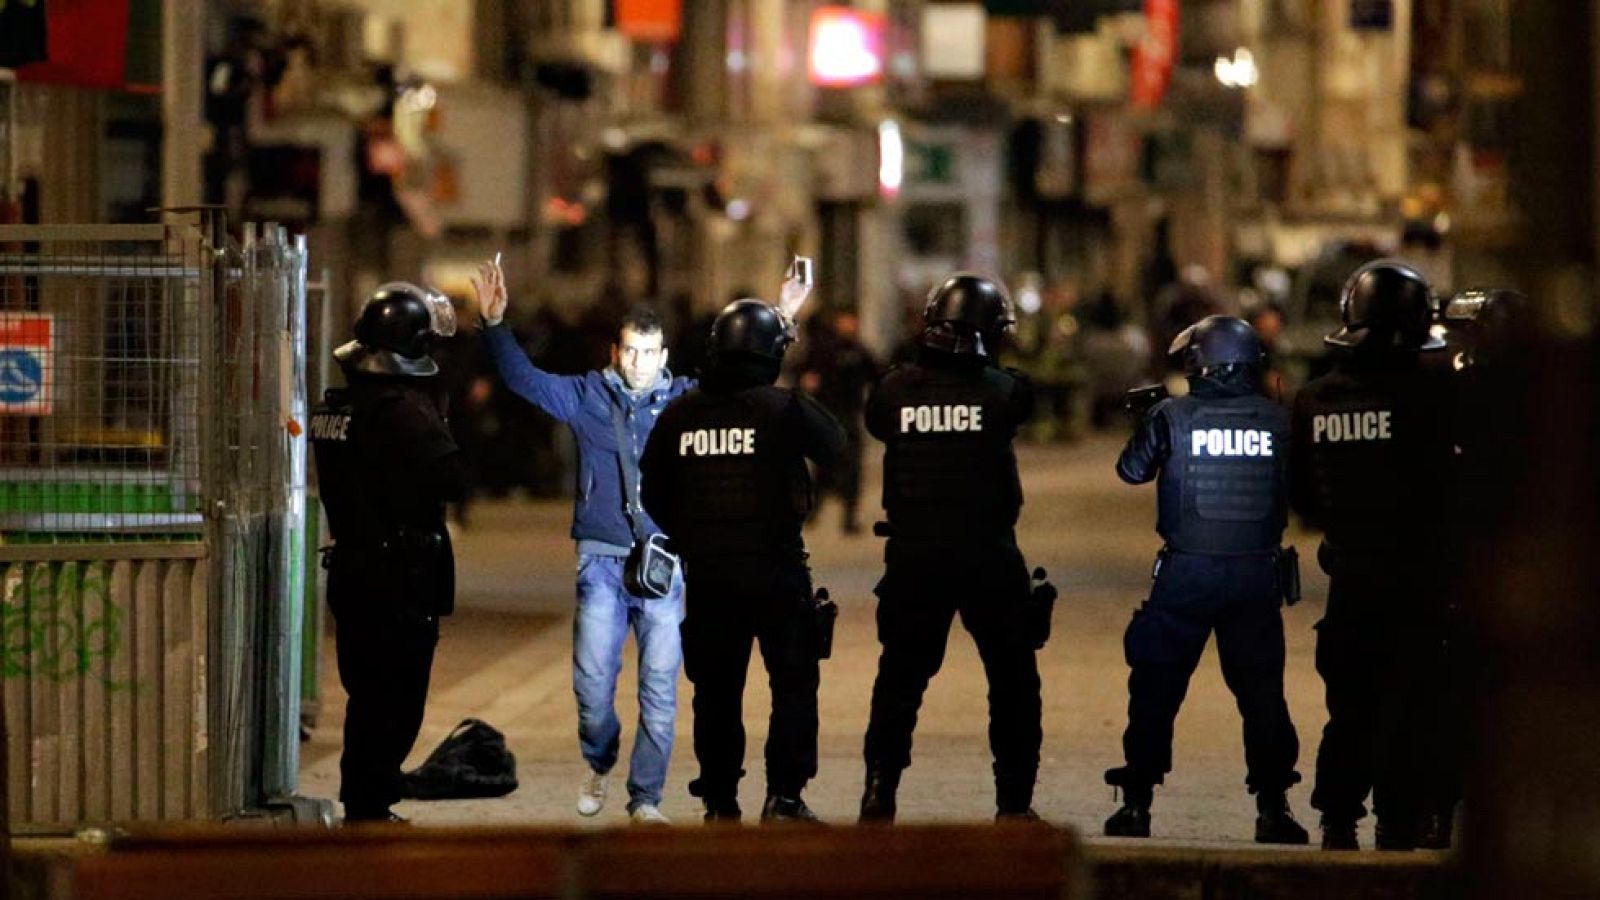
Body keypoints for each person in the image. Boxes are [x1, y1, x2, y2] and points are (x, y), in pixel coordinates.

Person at [475, 260, 811, 823]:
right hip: (602, 563)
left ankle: (644, 798)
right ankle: (600, 752)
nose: (637, 363)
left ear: (664, 358)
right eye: (629, 351)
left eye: (648, 353)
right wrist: (495, 323)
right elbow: (524, 381)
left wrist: (782, 317)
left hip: (666, 564)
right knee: (592, 688)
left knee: (660, 687)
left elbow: (747, 379)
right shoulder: (586, 396)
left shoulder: (685, 401)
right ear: (615, 352)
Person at [1104, 315, 1310, 845]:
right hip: (1254, 576)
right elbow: (1306, 494)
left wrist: (1145, 420)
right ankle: (1273, 809)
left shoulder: (1173, 416)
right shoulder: (1278, 420)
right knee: (1262, 695)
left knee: (1156, 688)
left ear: (1199, 364)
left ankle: (1136, 805)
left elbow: (1130, 472)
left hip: (1186, 575)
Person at [640, 299, 847, 823]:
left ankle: (718, 799)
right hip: (775, 570)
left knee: (715, 691)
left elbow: (653, 492)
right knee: (794, 684)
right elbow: (838, 447)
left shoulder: (680, 413)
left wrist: (691, 535)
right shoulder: (782, 408)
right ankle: (784, 797)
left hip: (707, 575)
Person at [857, 274, 1046, 823]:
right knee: (1012, 681)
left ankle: (879, 793)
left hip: (915, 556)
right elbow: (1014, 398)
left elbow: (876, 422)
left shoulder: (893, 392)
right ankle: (1013, 805)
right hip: (987, 555)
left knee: (900, 681)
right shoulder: (1006, 391)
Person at [1291, 261, 1457, 851]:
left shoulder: (1313, 400)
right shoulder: (1438, 392)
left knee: (1350, 706)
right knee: (1409, 702)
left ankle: (1338, 821)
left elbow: (1304, 499)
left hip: (1350, 577)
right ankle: (1398, 823)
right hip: (1419, 576)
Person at [310, 282, 465, 823]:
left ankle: (364, 799)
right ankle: (370, 805)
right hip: (400, 572)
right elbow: (452, 474)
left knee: (365, 694)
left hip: (353, 566)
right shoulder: (400, 411)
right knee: (396, 699)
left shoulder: (336, 409)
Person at [796, 309, 879, 534]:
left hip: (850, 414)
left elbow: (877, 375)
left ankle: (849, 516)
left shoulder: (859, 351)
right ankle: (812, 512)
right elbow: (802, 373)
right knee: (824, 468)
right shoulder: (824, 350)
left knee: (853, 469)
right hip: (827, 414)